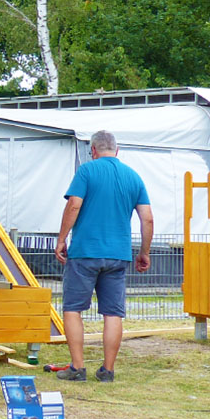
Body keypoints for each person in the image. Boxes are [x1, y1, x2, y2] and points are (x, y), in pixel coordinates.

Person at [53, 130, 153, 382]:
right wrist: (144, 252)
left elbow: (74, 204)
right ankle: (107, 370)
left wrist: (62, 238)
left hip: (85, 252)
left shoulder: (87, 171)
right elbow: (147, 218)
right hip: (118, 255)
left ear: (93, 151)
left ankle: (77, 368)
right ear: (117, 151)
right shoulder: (134, 177)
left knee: (73, 309)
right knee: (113, 313)